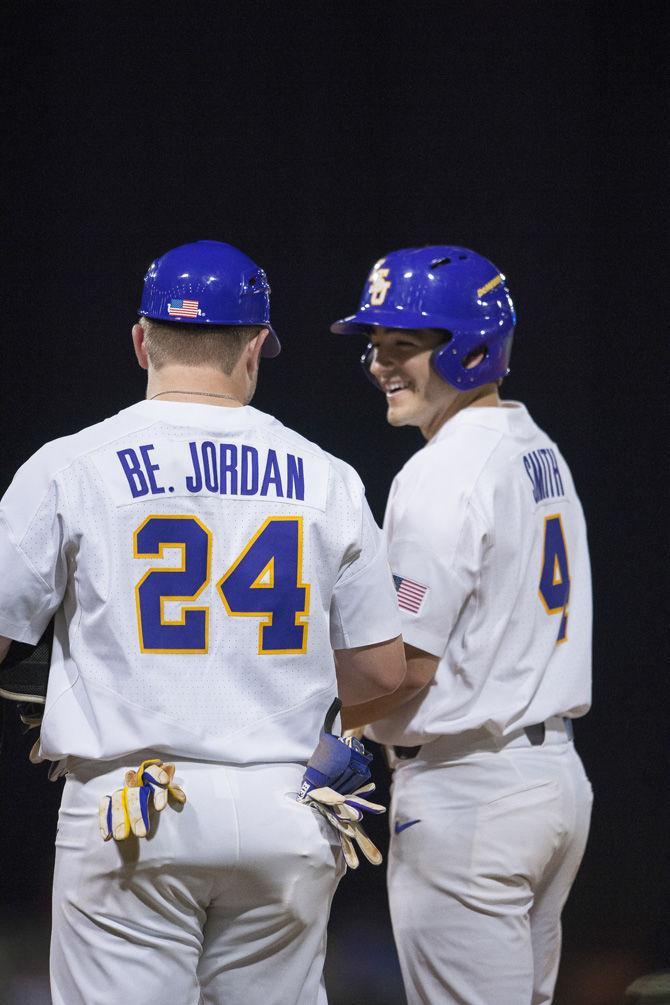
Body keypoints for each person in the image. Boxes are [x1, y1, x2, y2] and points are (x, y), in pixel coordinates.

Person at [0, 239, 405, 1005]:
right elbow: (384, 671)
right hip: (286, 803)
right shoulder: (328, 476)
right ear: (255, 348)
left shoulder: (72, 463)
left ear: (141, 340)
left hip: (132, 804)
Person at [331, 245, 593, 1005]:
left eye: (405, 344)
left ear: (472, 348)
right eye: (376, 345)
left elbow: (404, 666)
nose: (381, 363)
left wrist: (291, 721)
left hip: (467, 788)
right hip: (549, 781)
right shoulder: (535, 444)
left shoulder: (442, 471)